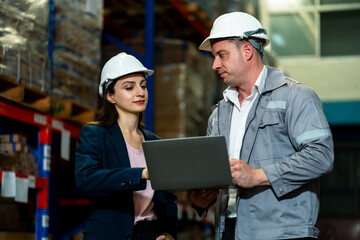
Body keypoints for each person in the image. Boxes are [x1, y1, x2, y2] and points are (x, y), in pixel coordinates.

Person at [188, 12, 334, 240]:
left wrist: (258, 175)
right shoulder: (219, 113)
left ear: (247, 51)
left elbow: (321, 155)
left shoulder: (296, 96)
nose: (215, 65)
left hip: (283, 233)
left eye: (221, 55)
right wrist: (202, 198)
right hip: (228, 231)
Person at [74, 52, 177, 240]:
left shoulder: (155, 143)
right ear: (110, 96)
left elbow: (168, 198)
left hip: (150, 234)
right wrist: (140, 174)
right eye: (129, 87)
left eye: (143, 86)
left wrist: (169, 233)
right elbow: (85, 179)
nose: (140, 92)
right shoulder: (95, 134)